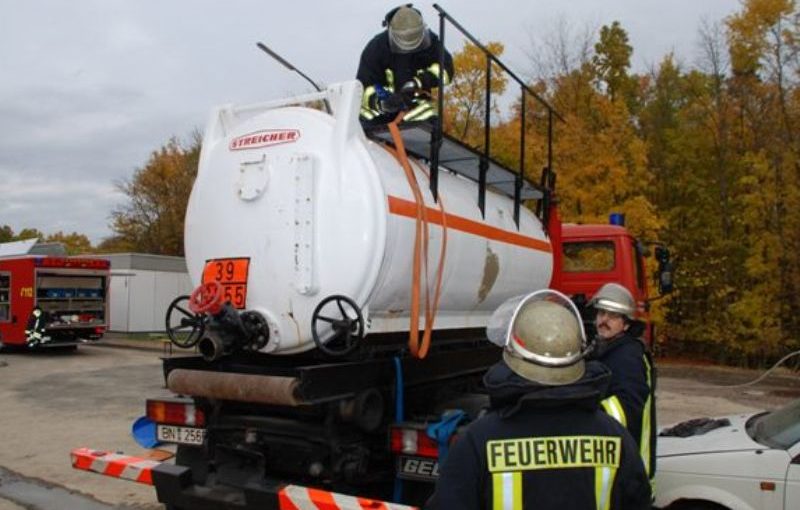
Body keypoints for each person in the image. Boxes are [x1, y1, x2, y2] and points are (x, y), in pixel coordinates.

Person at [426, 290, 651, 510]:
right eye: (602, 313)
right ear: (578, 355)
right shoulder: (616, 438)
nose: (604, 320)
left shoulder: (478, 440)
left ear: (513, 354)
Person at [589, 283, 657, 486]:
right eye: (601, 313)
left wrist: (584, 414)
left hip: (630, 467)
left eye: (613, 316)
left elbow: (627, 408)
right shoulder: (609, 349)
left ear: (626, 324)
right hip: (617, 455)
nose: (604, 320)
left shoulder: (627, 356)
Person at [356, 5, 453, 126]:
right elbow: (363, 86)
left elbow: (446, 69)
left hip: (415, 103)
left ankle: (425, 142)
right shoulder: (376, 48)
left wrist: (419, 82)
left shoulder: (431, 44)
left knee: (429, 116)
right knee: (363, 117)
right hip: (383, 105)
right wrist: (381, 102)